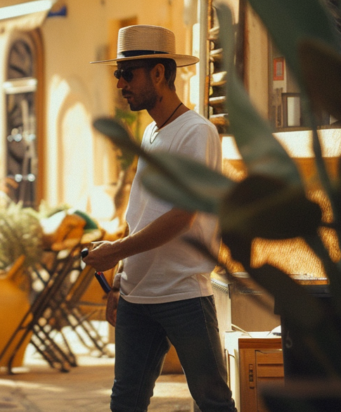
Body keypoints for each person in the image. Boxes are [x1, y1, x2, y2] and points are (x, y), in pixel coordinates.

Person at [84, 24, 236, 412]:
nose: (120, 83)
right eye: (117, 74)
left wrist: (116, 251)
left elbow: (182, 215)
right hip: (136, 294)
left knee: (214, 403)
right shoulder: (151, 132)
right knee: (126, 402)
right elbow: (141, 213)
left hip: (183, 293)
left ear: (157, 73)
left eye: (127, 73)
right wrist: (120, 281)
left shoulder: (197, 132)